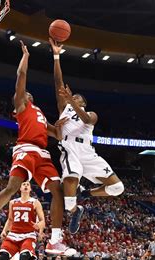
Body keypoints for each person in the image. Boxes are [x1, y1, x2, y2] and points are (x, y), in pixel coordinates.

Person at [0, 40, 72, 255]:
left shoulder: (39, 112)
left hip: (43, 154)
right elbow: (21, 77)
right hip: (26, 148)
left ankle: (55, 239)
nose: (26, 93)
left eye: (28, 93)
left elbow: (56, 134)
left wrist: (63, 123)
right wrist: (25, 57)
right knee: (12, 188)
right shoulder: (22, 106)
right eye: (24, 92)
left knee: (58, 191)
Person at [49, 38, 124, 234]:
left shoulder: (90, 113)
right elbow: (58, 81)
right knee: (69, 194)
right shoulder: (63, 108)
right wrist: (56, 56)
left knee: (117, 188)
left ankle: (86, 192)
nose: (72, 98)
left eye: (76, 98)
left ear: (82, 102)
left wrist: (72, 102)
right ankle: (76, 210)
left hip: (88, 152)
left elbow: (87, 120)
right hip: (70, 148)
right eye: (71, 97)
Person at [0, 181, 45, 260]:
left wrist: (40, 230)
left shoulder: (35, 202)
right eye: (23, 184)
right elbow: (10, 219)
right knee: (2, 259)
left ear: (30, 189)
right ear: (20, 188)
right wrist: (4, 231)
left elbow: (42, 221)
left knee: (23, 259)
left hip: (28, 235)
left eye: (28, 184)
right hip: (13, 234)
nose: (26, 186)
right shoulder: (13, 202)